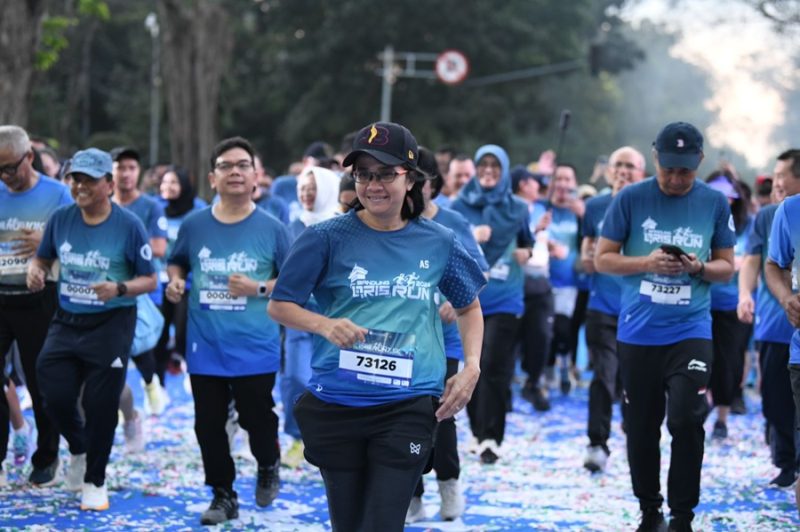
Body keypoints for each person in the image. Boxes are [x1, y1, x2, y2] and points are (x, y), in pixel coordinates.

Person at [268, 122, 486, 532]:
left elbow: (469, 305)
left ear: (411, 178)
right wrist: (325, 325)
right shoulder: (325, 238)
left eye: (386, 173)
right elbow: (280, 305)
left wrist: (471, 366)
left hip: (408, 403)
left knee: (382, 524)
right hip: (339, 401)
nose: (374, 185)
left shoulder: (438, 240)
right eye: (364, 174)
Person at [595, 122, 735, 531]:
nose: (676, 179)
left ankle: (682, 515)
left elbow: (727, 267)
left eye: (685, 172)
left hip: (691, 330)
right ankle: (650, 509)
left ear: (699, 163)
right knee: (641, 425)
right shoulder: (631, 199)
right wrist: (646, 263)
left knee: (686, 419)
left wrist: (699, 267)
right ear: (654, 159)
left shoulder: (714, 203)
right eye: (669, 170)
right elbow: (604, 259)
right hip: (638, 332)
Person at [166, 137, 289, 525]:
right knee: (208, 425)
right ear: (212, 178)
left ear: (256, 176)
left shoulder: (273, 228)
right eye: (225, 166)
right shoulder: (194, 224)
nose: (234, 171)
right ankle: (223, 494)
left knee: (258, 418)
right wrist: (174, 282)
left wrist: (258, 289)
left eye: (242, 165)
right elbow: (177, 263)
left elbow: (292, 282)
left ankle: (268, 463)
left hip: (256, 344)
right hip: (206, 344)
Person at [28, 147, 157, 511]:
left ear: (108, 184)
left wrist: (118, 288)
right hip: (67, 319)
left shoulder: (129, 225)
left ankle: (95, 479)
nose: (80, 186)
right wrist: (36, 269)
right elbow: (44, 255)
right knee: (50, 388)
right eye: (75, 179)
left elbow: (150, 280)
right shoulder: (61, 218)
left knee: (101, 404)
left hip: (112, 322)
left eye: (88, 179)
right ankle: (79, 448)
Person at [406, 148, 489, 523]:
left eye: (417, 181)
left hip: (446, 339)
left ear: (431, 185)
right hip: (401, 338)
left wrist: (450, 301)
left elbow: (477, 275)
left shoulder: (453, 223)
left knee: (441, 412)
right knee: (404, 413)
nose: (410, 188)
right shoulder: (392, 223)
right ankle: (411, 494)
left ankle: (449, 484)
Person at [450, 144, 532, 464]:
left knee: (495, 365)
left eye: (494, 167)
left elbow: (527, 241)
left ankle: (491, 437)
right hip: (469, 300)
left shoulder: (518, 209)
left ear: (504, 171)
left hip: (505, 299)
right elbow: (447, 245)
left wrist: (526, 252)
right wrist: (472, 234)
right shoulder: (459, 206)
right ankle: (474, 429)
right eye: (482, 165)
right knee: (472, 365)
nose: (487, 171)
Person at [0, 125, 72, 487]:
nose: (6, 177)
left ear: (30, 156)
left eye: (11, 167)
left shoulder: (59, 195)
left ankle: (47, 456)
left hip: (39, 300)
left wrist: (49, 242)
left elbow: (82, 242)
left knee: (42, 380)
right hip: (0, 295)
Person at [580, 146, 646, 473]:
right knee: (604, 376)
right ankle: (597, 442)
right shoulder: (594, 207)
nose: (623, 170)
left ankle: (636, 435)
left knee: (635, 383)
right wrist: (591, 258)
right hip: (602, 307)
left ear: (642, 172)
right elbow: (584, 260)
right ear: (609, 171)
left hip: (641, 310)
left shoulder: (651, 205)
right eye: (618, 164)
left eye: (630, 166)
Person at [281, 165, 340, 468]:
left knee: (333, 381)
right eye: (302, 188)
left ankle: (329, 439)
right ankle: (294, 436)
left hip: (335, 318)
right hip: (297, 316)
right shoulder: (291, 226)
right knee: (295, 376)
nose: (306, 194)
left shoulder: (343, 226)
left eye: (313, 188)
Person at [111, 147, 169, 416]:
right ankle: (122, 407)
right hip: (108, 288)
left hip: (144, 287)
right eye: (120, 167)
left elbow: (158, 247)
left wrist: (116, 249)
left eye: (131, 167)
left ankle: (150, 384)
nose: (125, 174)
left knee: (140, 346)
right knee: (115, 349)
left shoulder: (150, 206)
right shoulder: (104, 203)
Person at [755, 149, 800, 494]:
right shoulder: (788, 211)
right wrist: (787, 299)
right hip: (787, 337)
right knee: (776, 402)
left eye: (782, 173)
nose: (777, 181)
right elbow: (769, 263)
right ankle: (788, 463)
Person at [705, 170, 752, 440]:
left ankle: (721, 416)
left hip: (733, 305)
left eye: (728, 196)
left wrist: (735, 263)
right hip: (700, 302)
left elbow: (751, 260)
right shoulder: (700, 218)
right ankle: (704, 402)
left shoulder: (749, 224)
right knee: (700, 358)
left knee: (729, 362)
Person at [510, 165, 554, 411]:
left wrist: (551, 243)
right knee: (510, 340)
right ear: (522, 185)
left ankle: (533, 383)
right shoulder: (509, 209)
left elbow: (539, 246)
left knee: (541, 337)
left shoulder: (538, 209)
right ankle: (502, 391)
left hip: (541, 283)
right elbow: (512, 241)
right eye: (533, 181)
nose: (538, 185)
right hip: (515, 283)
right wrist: (536, 230)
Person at [545, 163, 585, 395]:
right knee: (546, 330)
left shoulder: (581, 212)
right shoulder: (542, 209)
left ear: (574, 184)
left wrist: (583, 218)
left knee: (564, 330)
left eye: (567, 179)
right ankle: (550, 367)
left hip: (572, 283)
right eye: (557, 179)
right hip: (543, 282)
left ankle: (563, 366)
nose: (562, 184)